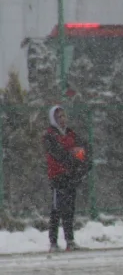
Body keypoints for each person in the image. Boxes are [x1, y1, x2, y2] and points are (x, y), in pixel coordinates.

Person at [43, 105, 91, 252]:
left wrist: (81, 161)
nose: (62, 119)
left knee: (69, 208)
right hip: (58, 176)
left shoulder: (70, 133)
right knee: (57, 209)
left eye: (64, 116)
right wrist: (72, 156)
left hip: (70, 175)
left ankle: (70, 240)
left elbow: (84, 148)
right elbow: (58, 154)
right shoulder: (50, 135)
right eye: (59, 117)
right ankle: (53, 241)